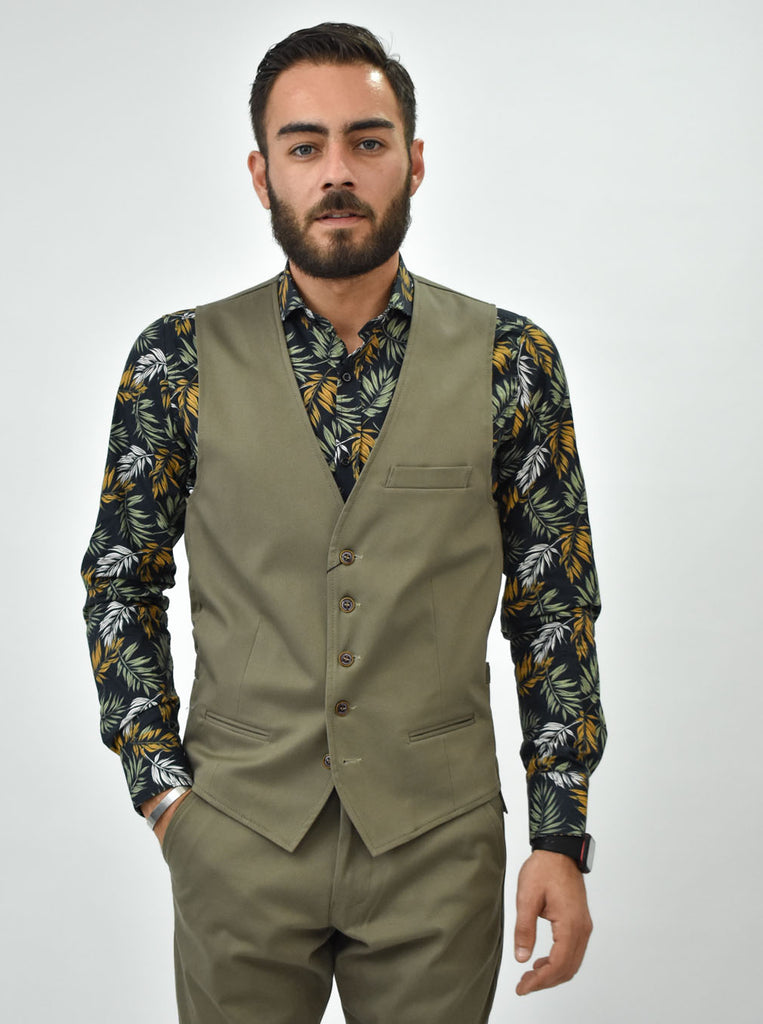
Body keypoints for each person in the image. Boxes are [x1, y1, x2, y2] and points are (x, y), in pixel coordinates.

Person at [81, 22, 606, 1023]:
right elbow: (120, 581)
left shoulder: (512, 360)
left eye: (367, 141)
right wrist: (165, 798)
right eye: (304, 145)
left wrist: (559, 834)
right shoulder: (176, 360)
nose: (336, 172)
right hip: (237, 836)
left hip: (436, 845)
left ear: (414, 161)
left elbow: (553, 605)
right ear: (261, 172)